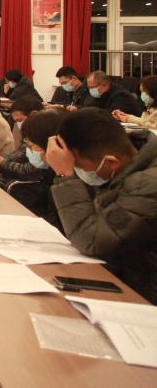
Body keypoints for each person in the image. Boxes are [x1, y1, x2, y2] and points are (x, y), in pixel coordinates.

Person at [45, 108, 157, 304]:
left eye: (79, 167)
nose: (79, 173)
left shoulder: (148, 184)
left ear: (110, 163)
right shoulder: (128, 162)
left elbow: (93, 240)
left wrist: (64, 175)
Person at [0, 109, 65, 227]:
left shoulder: (70, 177)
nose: (30, 149)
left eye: (34, 146)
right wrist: (1, 165)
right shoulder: (58, 174)